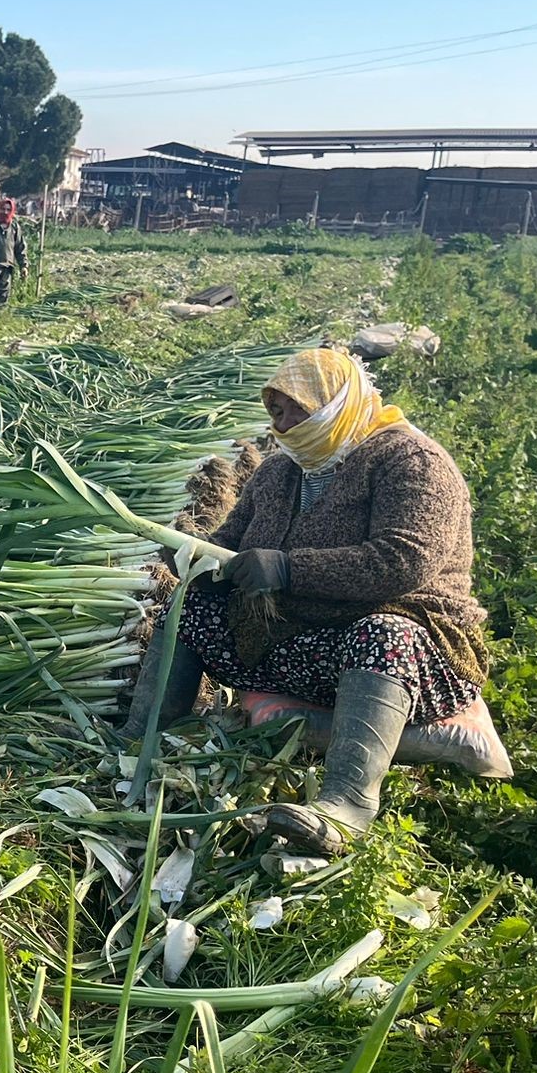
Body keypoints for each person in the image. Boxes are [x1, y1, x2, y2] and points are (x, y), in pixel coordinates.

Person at [124, 347, 489, 856]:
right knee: (188, 605)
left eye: (302, 407)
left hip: (409, 653)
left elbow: (405, 560)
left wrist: (289, 568)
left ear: (339, 401)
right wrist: (197, 560)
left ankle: (348, 805)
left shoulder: (410, 460)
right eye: (278, 411)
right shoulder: (277, 472)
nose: (288, 423)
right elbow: (231, 543)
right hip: (295, 643)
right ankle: (138, 739)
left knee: (382, 633)